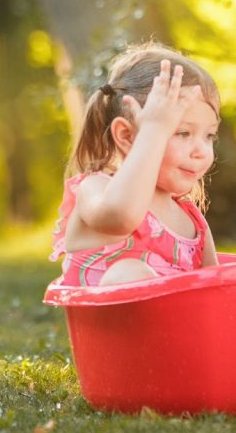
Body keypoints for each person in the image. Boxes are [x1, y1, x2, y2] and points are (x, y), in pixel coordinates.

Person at [50, 42, 222, 286]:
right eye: (183, 133)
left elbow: (214, 291)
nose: (201, 151)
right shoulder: (97, 188)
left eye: (209, 136)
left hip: (179, 323)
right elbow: (122, 217)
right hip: (111, 324)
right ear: (127, 136)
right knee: (128, 273)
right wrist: (153, 131)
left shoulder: (193, 222)